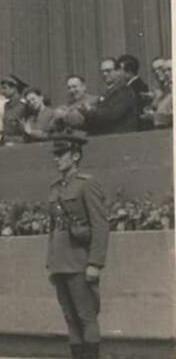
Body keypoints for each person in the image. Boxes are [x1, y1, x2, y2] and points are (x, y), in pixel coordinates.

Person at [46, 135, 108, 359]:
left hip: (80, 261)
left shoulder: (86, 184)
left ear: (75, 155)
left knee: (86, 317)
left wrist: (95, 263)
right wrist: (50, 262)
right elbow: (53, 229)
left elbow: (100, 225)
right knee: (70, 318)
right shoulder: (55, 188)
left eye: (61, 154)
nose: (56, 159)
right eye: (55, 154)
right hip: (60, 262)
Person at [78, 58, 138, 135]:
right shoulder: (106, 93)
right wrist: (84, 113)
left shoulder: (125, 91)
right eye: (102, 71)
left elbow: (113, 114)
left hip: (121, 139)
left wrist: (91, 110)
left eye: (108, 71)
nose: (105, 74)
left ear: (118, 71)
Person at [117, 54, 151, 130]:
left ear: (129, 72)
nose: (117, 74)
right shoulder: (134, 86)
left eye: (119, 70)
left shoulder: (137, 87)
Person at [0, 74, 29, 146]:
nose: (2, 91)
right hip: (6, 143)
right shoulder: (6, 106)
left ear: (14, 88)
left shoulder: (24, 106)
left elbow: (27, 131)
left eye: (5, 88)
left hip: (20, 144)